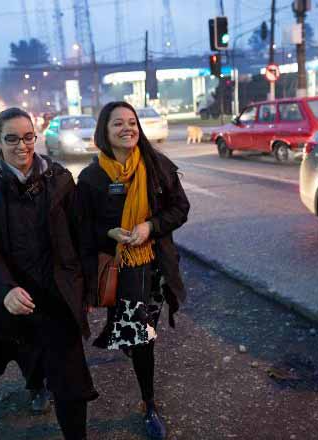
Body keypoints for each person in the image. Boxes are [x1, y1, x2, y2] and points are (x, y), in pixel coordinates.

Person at [0, 107, 98, 439]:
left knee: (70, 382)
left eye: (28, 137)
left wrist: (87, 289)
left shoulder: (61, 180)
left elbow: (83, 236)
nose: (22, 146)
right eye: (11, 139)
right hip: (15, 301)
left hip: (58, 298)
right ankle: (36, 385)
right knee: (29, 357)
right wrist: (4, 289)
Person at [76, 101, 190, 440]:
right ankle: (149, 402)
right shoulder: (92, 178)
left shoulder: (157, 165)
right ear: (104, 132)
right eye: (118, 124)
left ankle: (133, 351)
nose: (127, 128)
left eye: (132, 122)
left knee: (145, 332)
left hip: (156, 267)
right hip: (120, 272)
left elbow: (180, 208)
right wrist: (108, 234)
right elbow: (82, 228)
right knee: (142, 339)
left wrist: (151, 226)